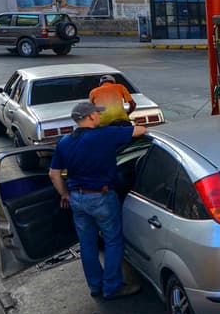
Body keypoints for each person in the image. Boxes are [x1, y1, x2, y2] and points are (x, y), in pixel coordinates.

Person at [48, 102, 147, 300]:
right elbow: (140, 130)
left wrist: (65, 194)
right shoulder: (105, 134)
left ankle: (95, 286)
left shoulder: (64, 142)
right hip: (102, 196)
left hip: (77, 198)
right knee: (113, 240)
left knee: (87, 244)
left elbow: (53, 174)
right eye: (97, 114)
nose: (100, 116)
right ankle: (112, 287)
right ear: (91, 117)